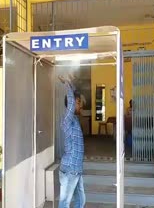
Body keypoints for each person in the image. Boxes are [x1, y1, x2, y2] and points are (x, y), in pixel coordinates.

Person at [58, 74, 86, 208]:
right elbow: (71, 103)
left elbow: (74, 98)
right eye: (79, 103)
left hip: (76, 169)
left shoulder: (74, 119)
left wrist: (72, 84)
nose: (81, 106)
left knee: (81, 200)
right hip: (70, 169)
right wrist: (67, 84)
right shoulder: (67, 121)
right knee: (65, 202)